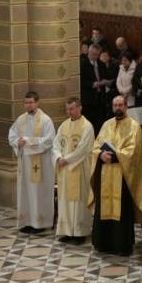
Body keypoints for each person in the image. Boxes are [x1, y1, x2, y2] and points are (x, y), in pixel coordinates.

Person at [89, 96, 142, 256]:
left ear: (126, 106)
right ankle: (103, 244)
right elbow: (96, 146)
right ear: (112, 107)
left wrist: (115, 156)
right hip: (105, 174)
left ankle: (122, 245)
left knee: (122, 210)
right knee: (104, 207)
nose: (118, 107)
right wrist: (100, 155)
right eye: (115, 105)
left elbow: (134, 151)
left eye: (121, 105)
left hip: (123, 176)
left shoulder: (134, 126)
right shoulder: (106, 125)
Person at [8, 91, 55, 233]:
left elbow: (49, 140)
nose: (28, 105)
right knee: (26, 192)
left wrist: (27, 142)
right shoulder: (20, 119)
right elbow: (12, 135)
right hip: (25, 164)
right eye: (26, 103)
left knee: (38, 193)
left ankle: (39, 224)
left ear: (37, 102)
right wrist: (17, 142)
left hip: (40, 163)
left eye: (31, 102)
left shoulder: (45, 120)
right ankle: (27, 222)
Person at [53, 98, 95, 244]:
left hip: (79, 169)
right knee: (65, 201)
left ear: (79, 108)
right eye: (67, 109)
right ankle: (67, 231)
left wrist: (67, 160)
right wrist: (58, 157)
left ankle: (79, 233)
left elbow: (83, 149)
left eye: (71, 108)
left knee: (78, 202)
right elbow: (56, 144)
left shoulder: (87, 126)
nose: (69, 112)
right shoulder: (63, 125)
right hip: (64, 170)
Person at [80, 43, 106, 134]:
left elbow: (105, 76)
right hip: (88, 100)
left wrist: (106, 82)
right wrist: (92, 84)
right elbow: (80, 81)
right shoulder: (82, 64)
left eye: (97, 55)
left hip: (100, 98)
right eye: (93, 54)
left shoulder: (101, 64)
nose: (95, 57)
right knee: (89, 124)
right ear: (89, 52)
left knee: (99, 123)